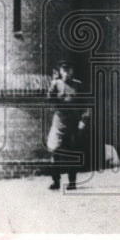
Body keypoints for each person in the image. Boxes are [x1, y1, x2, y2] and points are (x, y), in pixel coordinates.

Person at [46, 59, 89, 190]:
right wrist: (52, 84)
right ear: (60, 71)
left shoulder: (78, 85)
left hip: (73, 123)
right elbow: (49, 100)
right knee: (55, 151)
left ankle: (72, 182)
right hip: (58, 122)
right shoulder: (55, 84)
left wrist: (83, 120)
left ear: (72, 71)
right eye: (64, 70)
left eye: (69, 69)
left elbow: (86, 106)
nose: (66, 72)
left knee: (72, 153)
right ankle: (56, 182)